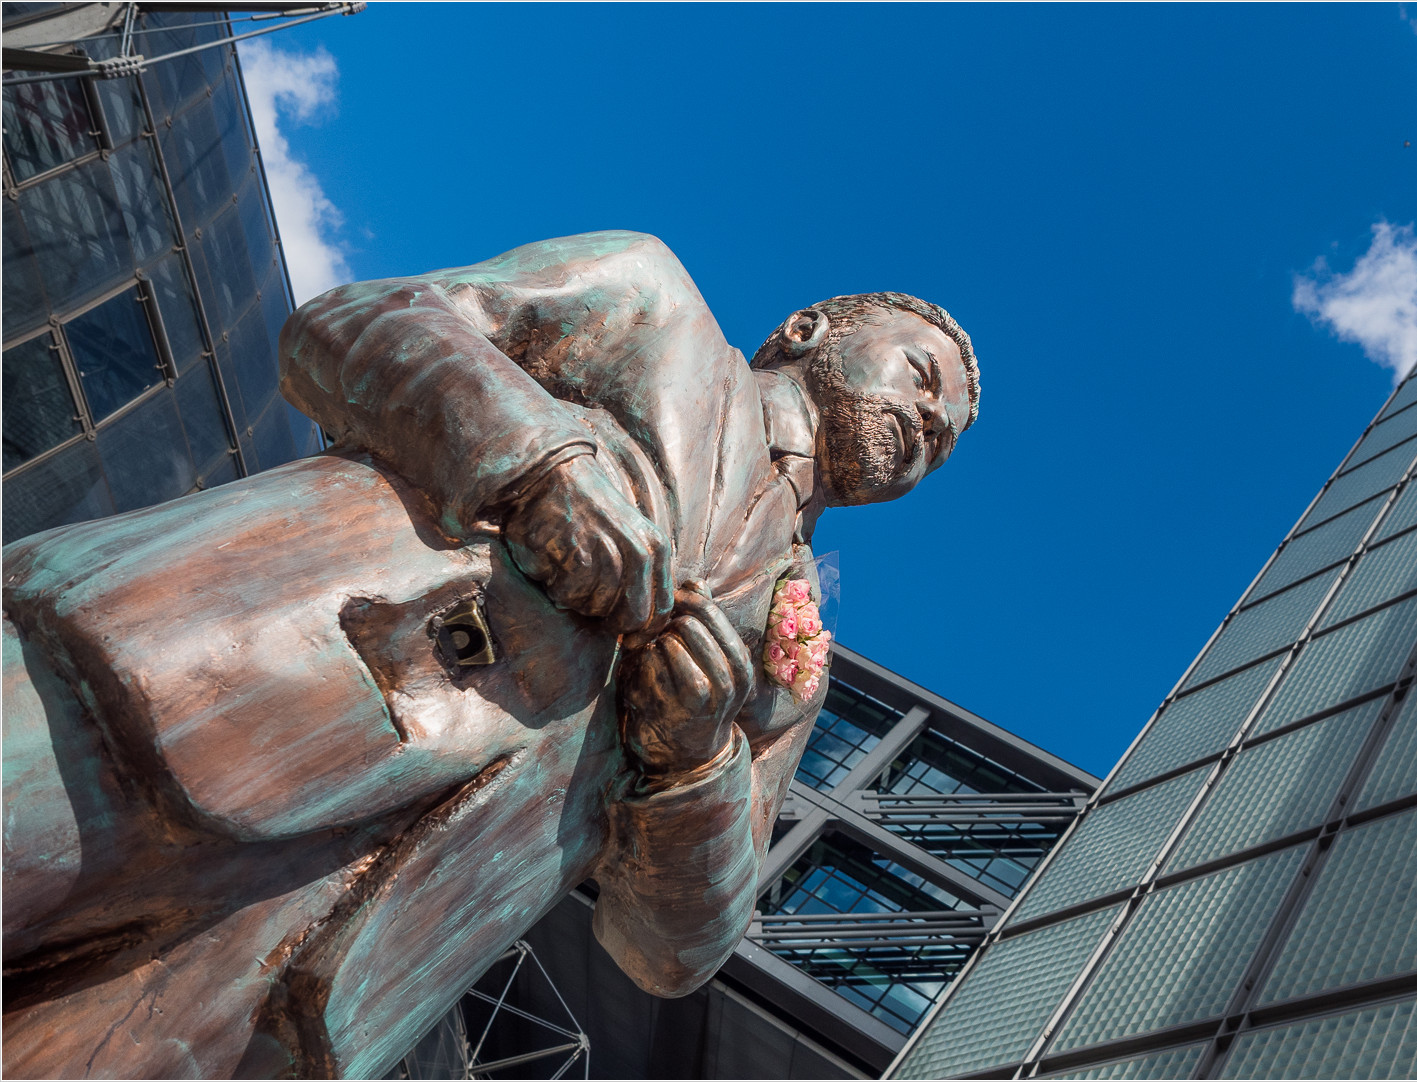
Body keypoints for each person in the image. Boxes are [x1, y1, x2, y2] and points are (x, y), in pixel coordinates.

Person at [0, 231, 977, 1078]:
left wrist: (693, 759)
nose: (926, 425)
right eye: (920, 377)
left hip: (314, 971)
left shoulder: (793, 657)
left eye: (942, 443)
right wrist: (537, 465)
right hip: (197, 678)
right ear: (808, 329)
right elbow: (356, 323)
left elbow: (679, 947)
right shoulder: (652, 299)